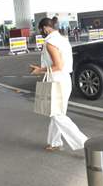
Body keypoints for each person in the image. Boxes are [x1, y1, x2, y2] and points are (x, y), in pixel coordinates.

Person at [30, 17, 88, 151]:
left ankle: (85, 143)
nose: (41, 33)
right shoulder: (62, 39)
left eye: (40, 30)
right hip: (64, 79)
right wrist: (42, 68)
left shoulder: (50, 42)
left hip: (57, 81)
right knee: (57, 112)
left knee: (57, 115)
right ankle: (55, 142)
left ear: (44, 28)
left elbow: (58, 65)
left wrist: (40, 70)